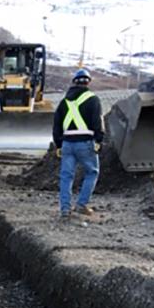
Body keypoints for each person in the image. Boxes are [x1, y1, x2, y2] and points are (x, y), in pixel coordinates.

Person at [51, 67, 104, 221]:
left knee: (66, 177)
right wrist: (99, 140)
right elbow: (98, 123)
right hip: (85, 143)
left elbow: (57, 126)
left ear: (74, 82)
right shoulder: (93, 100)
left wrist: (59, 145)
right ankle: (81, 204)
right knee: (92, 173)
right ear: (88, 83)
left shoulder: (64, 102)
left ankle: (65, 209)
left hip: (67, 144)